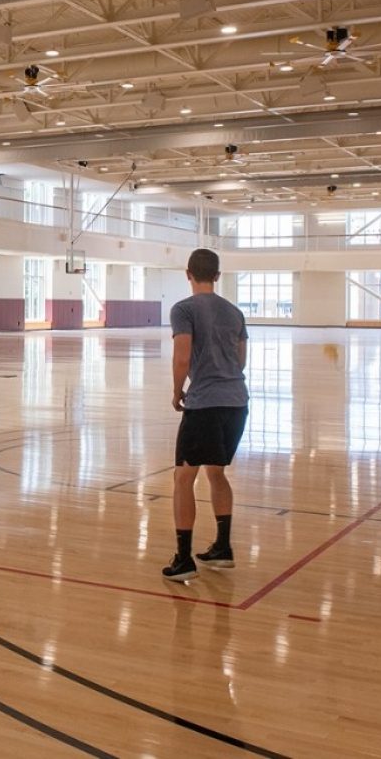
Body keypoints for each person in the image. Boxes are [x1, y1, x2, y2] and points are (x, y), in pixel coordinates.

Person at [163, 249, 248, 582]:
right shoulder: (235, 312)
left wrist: (176, 390)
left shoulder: (183, 309)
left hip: (205, 404)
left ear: (188, 274)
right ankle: (222, 548)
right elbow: (241, 360)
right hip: (237, 402)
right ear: (217, 275)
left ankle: (184, 558)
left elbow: (182, 357)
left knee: (183, 478)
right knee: (217, 473)